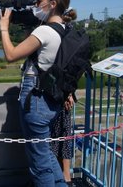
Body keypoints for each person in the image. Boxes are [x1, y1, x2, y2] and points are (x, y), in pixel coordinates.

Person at [0, 0, 70, 186]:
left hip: (36, 98)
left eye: (39, 1)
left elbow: (11, 55)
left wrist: (4, 29)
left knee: (39, 164)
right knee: (45, 153)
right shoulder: (64, 29)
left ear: (53, 3)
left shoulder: (44, 32)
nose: (36, 6)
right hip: (51, 98)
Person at [50, 9, 78, 185]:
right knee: (65, 135)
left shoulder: (54, 34)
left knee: (52, 138)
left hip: (55, 92)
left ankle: (57, 176)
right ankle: (66, 176)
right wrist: (70, 93)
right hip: (66, 91)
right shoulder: (71, 36)